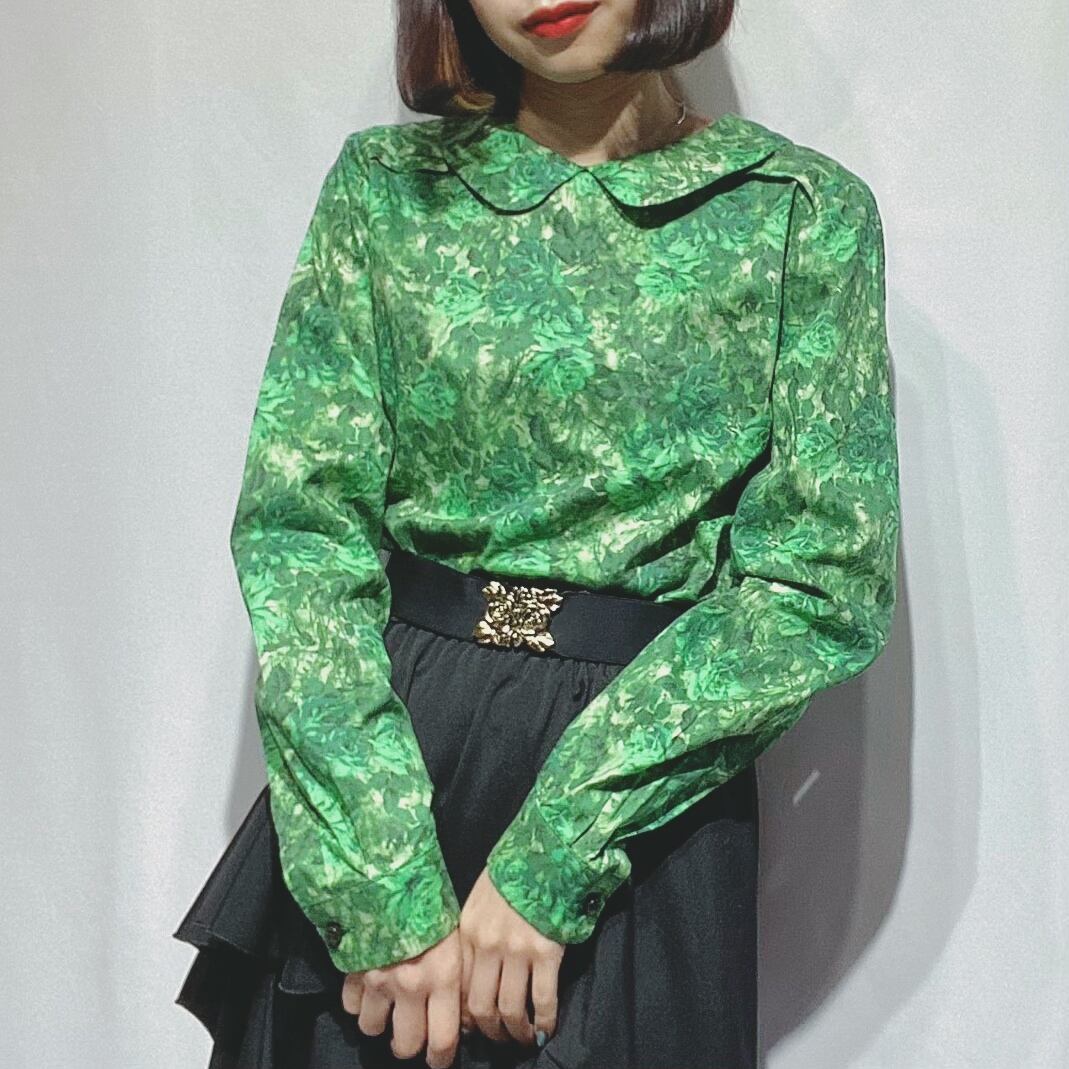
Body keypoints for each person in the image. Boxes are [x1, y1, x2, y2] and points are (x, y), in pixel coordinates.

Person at [172, 1, 902, 1067]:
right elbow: (301, 536)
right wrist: (379, 883)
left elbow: (819, 582)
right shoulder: (387, 191)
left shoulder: (797, 213)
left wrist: (555, 853)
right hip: (390, 768)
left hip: (642, 788)